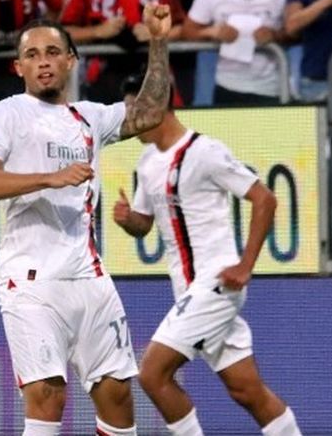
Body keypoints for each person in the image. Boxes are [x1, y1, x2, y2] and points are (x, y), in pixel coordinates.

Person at [0, 3, 173, 436]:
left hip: (89, 278)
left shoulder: (90, 117)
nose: (44, 61)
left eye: (53, 52)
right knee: (47, 395)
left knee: (117, 394)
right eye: (34, 54)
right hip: (31, 280)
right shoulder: (4, 115)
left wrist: (157, 41)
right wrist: (49, 178)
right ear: (19, 66)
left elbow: (150, 113)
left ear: (70, 61)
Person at [112, 81, 303, 436]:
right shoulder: (147, 161)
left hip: (215, 283)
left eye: (135, 111)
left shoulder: (205, 151)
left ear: (158, 106)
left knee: (153, 374)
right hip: (188, 291)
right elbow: (144, 225)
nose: (130, 122)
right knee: (246, 390)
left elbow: (265, 199)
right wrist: (128, 220)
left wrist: (245, 265)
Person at [60, 0, 185, 104]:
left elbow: (183, 29)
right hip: (103, 83)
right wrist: (97, 31)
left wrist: (157, 32)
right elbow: (62, 33)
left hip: (153, 79)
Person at [184, 0, 287, 105]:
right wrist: (213, 32)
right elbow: (187, 31)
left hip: (271, 86)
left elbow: (295, 32)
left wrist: (275, 35)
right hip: (228, 85)